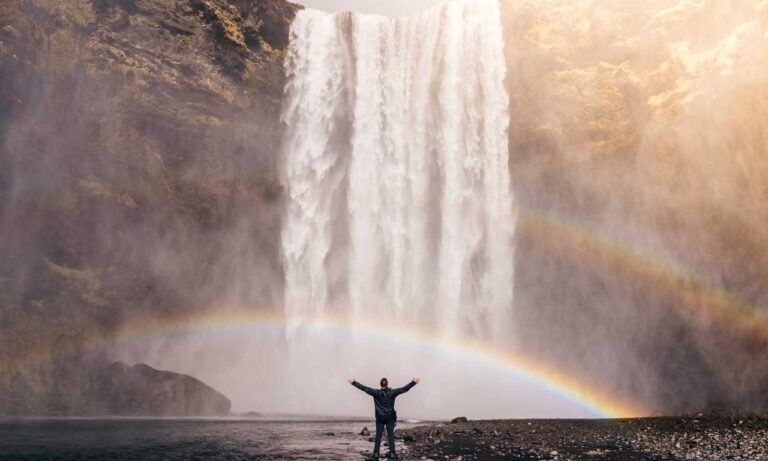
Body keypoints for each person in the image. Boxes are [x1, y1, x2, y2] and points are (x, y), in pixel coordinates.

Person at [348, 376, 420, 460]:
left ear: (380, 384)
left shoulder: (376, 392)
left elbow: (364, 388)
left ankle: (376, 454)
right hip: (390, 418)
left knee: (378, 436)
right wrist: (413, 382)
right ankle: (392, 453)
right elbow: (404, 389)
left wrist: (354, 383)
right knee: (390, 436)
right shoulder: (392, 392)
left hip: (380, 418)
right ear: (387, 384)